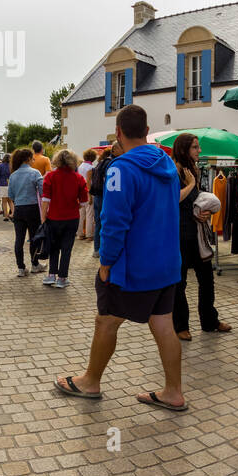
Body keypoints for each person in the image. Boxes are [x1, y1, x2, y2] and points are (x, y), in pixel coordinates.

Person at [55, 104, 187, 412]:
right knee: (164, 325)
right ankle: (173, 391)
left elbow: (114, 221)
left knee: (106, 321)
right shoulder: (166, 163)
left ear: (118, 133)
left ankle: (90, 381)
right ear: (145, 130)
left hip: (132, 267)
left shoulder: (121, 168)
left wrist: (106, 262)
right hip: (166, 264)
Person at [167, 135, 227, 339]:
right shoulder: (174, 169)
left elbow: (196, 199)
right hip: (180, 234)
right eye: (195, 147)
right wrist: (192, 184)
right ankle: (180, 325)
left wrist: (205, 212)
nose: (199, 150)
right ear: (184, 149)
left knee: (207, 279)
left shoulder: (193, 168)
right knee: (180, 282)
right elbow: (174, 198)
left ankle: (210, 321)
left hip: (197, 232)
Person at [40, 150, 87, 286]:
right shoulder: (78, 178)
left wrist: (43, 218)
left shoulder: (50, 177)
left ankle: (51, 275)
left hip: (53, 217)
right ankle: (62, 278)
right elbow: (84, 202)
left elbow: (45, 200)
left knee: (54, 247)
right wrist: (73, 206)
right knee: (67, 249)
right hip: (71, 218)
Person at [8, 148, 46, 278]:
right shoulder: (35, 173)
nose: (33, 160)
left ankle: (21, 268)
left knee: (19, 239)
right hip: (32, 208)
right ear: (28, 159)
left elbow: (11, 195)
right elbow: (42, 192)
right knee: (34, 238)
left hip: (19, 209)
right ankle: (35, 264)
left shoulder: (13, 175)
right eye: (32, 158)